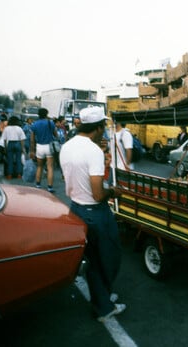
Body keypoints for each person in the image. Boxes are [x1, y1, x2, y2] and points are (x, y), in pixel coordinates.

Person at [59, 106, 126, 322]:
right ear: (97, 128)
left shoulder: (67, 146)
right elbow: (98, 194)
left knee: (92, 260)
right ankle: (104, 307)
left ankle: (102, 298)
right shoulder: (94, 151)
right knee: (109, 257)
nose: (105, 129)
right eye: (103, 126)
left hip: (76, 207)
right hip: (95, 212)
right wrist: (113, 192)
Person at [29, 107, 58, 193]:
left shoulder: (34, 124)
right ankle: (50, 187)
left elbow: (32, 139)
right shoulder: (50, 123)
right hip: (49, 146)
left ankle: (38, 185)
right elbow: (56, 135)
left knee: (39, 166)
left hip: (39, 147)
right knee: (50, 167)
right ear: (46, 114)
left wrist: (32, 150)